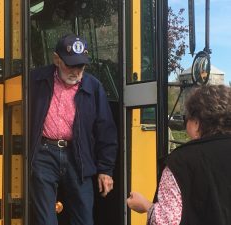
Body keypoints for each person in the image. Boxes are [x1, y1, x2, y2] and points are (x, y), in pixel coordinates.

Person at [29, 34, 118, 225]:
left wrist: (105, 169)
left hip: (79, 156)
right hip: (44, 155)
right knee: (45, 221)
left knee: (84, 218)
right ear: (56, 60)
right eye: (71, 65)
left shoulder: (93, 87)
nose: (76, 72)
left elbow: (106, 129)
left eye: (81, 66)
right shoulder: (36, 80)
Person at [127, 85, 231, 225]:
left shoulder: (179, 162)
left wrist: (146, 205)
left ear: (196, 122)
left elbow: (167, 221)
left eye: (185, 118)